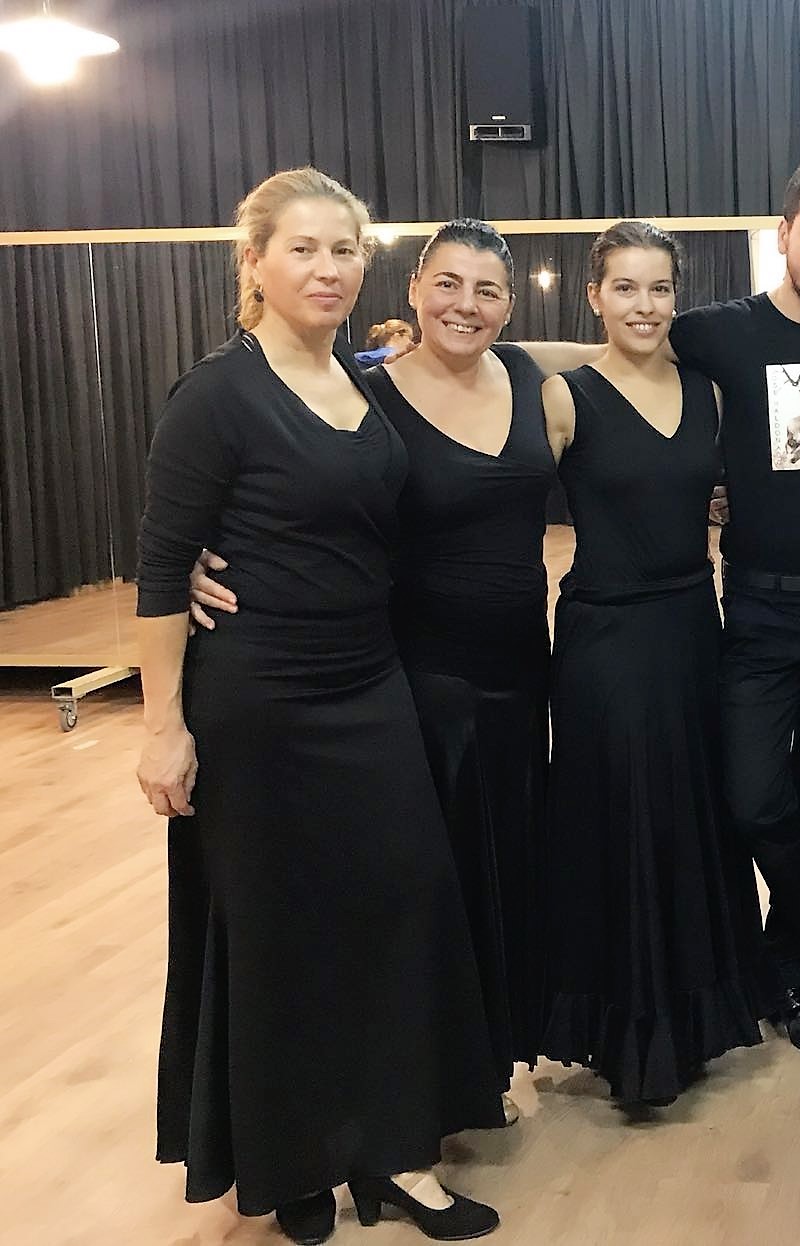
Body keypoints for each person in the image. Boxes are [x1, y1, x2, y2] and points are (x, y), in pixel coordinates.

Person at [135, 167, 500, 1244]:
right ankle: (291, 1156)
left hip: (366, 681)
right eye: (304, 248)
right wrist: (162, 724)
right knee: (276, 931)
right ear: (253, 263)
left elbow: (491, 364)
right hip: (257, 699)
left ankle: (394, 1152)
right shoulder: (215, 394)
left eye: (345, 249)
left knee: (400, 903)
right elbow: (162, 569)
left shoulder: (366, 379)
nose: (330, 268)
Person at [519, 156, 800, 1059]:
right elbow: (585, 357)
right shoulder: (714, 334)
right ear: (783, 234)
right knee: (748, 799)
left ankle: (785, 973)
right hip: (758, 613)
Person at [188, 219, 557, 1118]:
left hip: (522, 669)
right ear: (413, 290)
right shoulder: (364, 390)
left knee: (509, 867)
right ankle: (428, 1075)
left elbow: (617, 349)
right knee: (433, 883)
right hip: (417, 679)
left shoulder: (531, 379)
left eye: (488, 291)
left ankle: (493, 1059)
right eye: (448, 285)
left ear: (512, 305)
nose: (466, 306)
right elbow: (285, 479)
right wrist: (203, 551)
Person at [537, 221, 776, 1105]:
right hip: (605, 643)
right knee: (623, 824)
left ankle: (695, 1015)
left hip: (690, 627)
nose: (646, 305)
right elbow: (490, 505)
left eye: (660, 288)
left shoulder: (709, 393)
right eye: (627, 288)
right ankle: (630, 1036)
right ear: (594, 296)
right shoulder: (565, 397)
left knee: (691, 817)